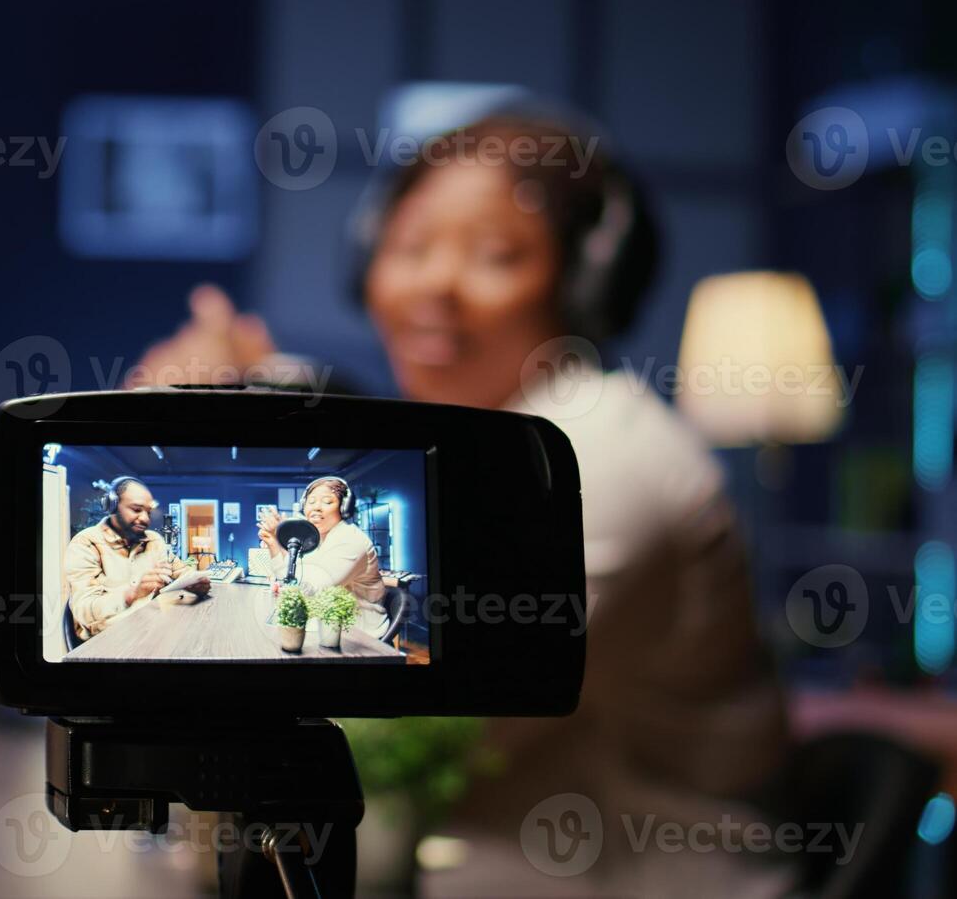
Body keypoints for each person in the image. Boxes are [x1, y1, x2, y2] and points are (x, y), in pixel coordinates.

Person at [135, 106, 790, 894]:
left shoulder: (594, 460)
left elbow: (385, 738)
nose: (434, 285)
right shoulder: (507, 436)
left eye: (493, 255)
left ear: (581, 282)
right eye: (409, 248)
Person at [63, 476, 207, 641]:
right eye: (137, 509)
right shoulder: (86, 543)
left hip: (151, 629)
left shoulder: (154, 540)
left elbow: (182, 571)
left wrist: (196, 583)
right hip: (107, 642)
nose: (145, 518)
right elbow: (85, 613)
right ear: (113, 506)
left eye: (148, 512)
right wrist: (132, 594)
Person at [256, 476, 387, 639]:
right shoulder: (316, 539)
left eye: (327, 501)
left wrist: (277, 542)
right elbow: (294, 578)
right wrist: (274, 543)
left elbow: (311, 589)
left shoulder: (352, 541)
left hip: (358, 634)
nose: (316, 507)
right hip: (324, 624)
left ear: (344, 507)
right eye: (311, 502)